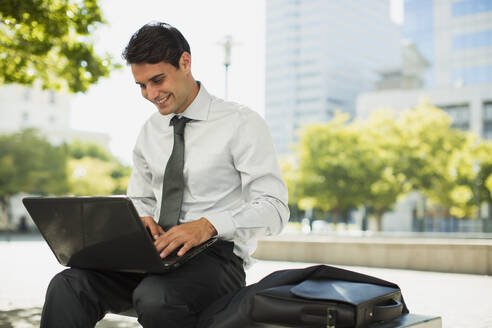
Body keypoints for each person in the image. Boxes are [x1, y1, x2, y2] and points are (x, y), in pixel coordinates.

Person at [40, 21, 289, 328]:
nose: (150, 94)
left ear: (185, 62)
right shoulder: (151, 130)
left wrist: (209, 225)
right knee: (68, 285)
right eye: (142, 85)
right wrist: (138, 220)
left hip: (217, 259)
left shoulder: (241, 123)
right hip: (154, 255)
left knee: (156, 297)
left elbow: (275, 208)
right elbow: (141, 198)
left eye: (158, 80)